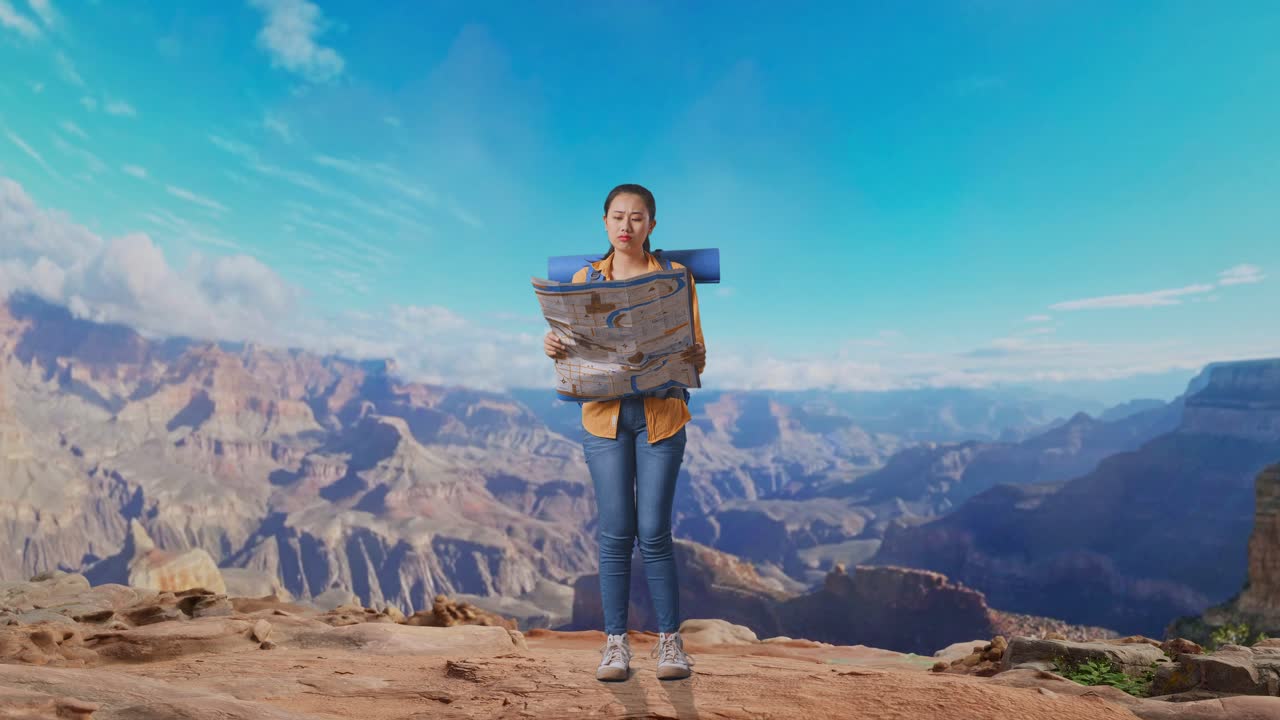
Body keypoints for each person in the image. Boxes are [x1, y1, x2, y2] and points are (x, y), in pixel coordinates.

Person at [543, 183, 706, 681]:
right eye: (617, 216)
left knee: (654, 531)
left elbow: (697, 346)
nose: (626, 226)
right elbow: (573, 347)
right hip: (605, 419)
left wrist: (694, 357)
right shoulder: (585, 278)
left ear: (652, 225)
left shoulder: (676, 278)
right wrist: (554, 346)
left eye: (637, 218)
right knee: (615, 533)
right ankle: (615, 646)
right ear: (605, 222)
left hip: (662, 417)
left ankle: (670, 645)